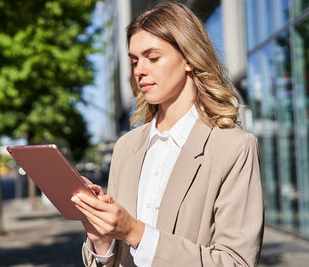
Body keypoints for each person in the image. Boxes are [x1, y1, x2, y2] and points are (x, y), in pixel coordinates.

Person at [71, 1, 264, 266]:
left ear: (188, 58)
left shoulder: (233, 148)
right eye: (135, 60)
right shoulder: (126, 147)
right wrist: (102, 239)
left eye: (153, 57)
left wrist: (135, 232)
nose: (139, 70)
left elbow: (237, 261)